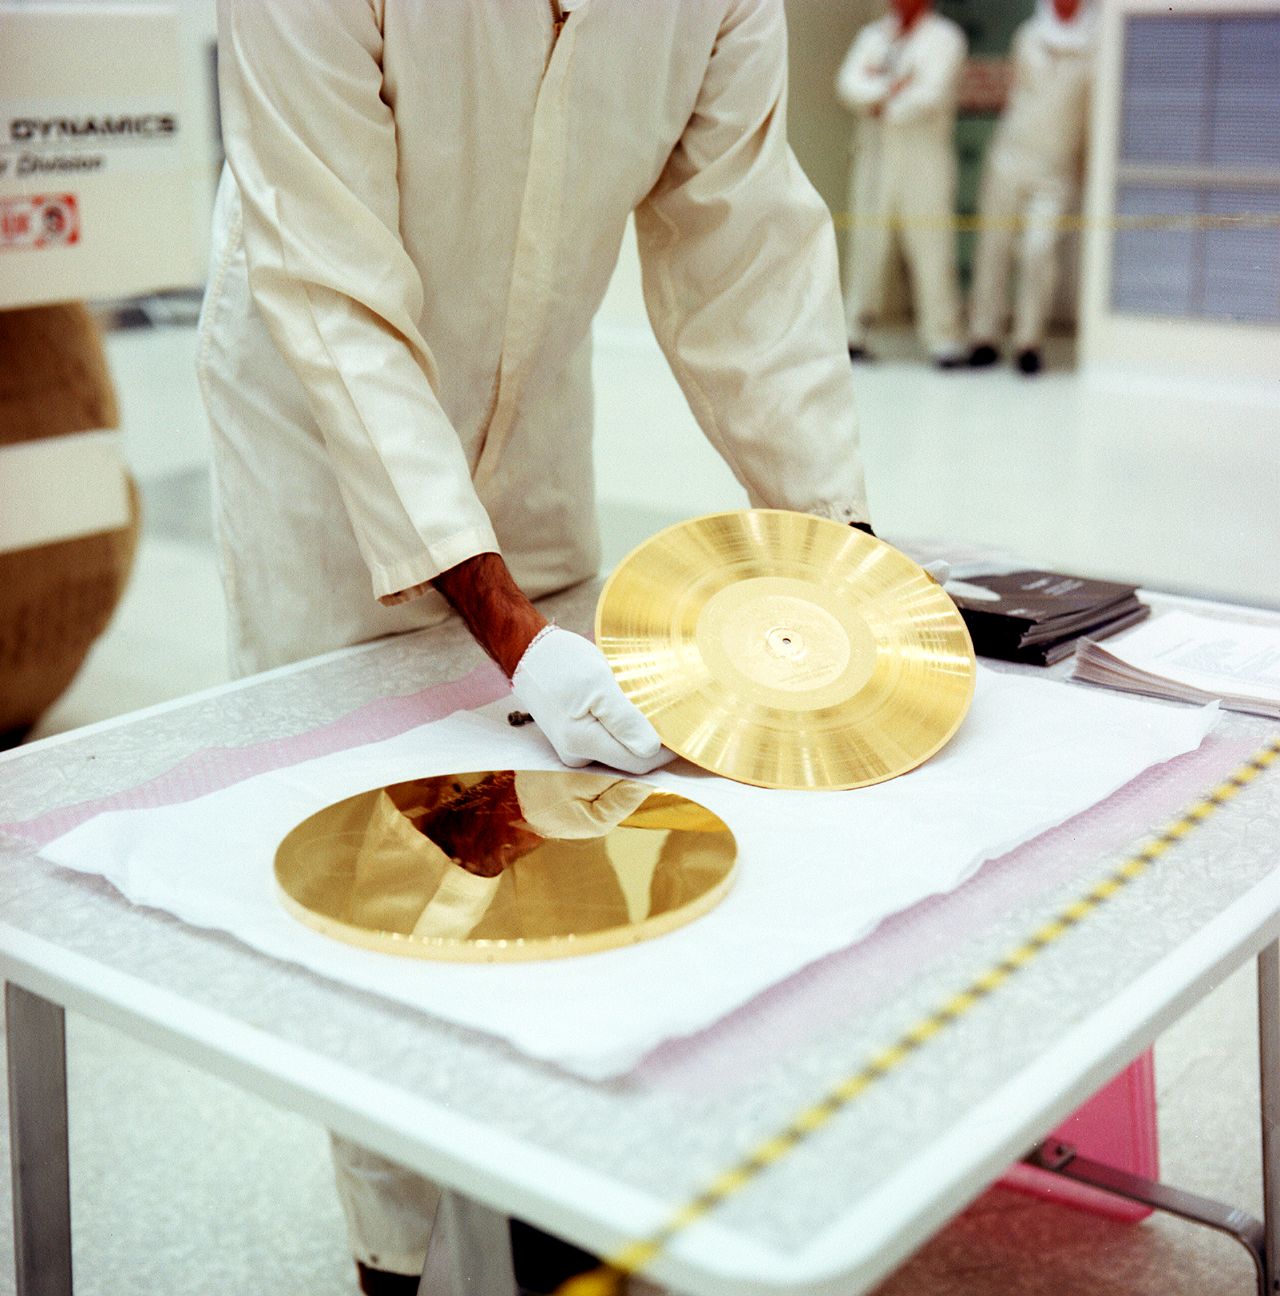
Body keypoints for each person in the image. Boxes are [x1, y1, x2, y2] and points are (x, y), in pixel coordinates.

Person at [197, 1, 872, 1290]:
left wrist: (839, 551)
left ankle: (556, 1199)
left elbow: (745, 255)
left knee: (569, 830)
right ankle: (392, 1255)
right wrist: (514, 636)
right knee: (381, 852)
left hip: (535, 403)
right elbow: (330, 289)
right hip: (315, 413)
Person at [967, 0, 1098, 375]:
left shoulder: (1098, 42)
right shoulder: (1028, 35)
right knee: (993, 247)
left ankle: (1028, 341)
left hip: (1056, 170)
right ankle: (983, 335)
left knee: (1039, 250)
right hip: (1010, 158)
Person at [835, 0, 967, 368]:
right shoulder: (873, 35)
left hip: (923, 160)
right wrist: (892, 88)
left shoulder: (945, 38)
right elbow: (847, 84)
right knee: (867, 244)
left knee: (931, 247)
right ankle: (854, 333)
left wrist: (878, 97)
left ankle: (944, 339)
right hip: (875, 157)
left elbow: (931, 94)